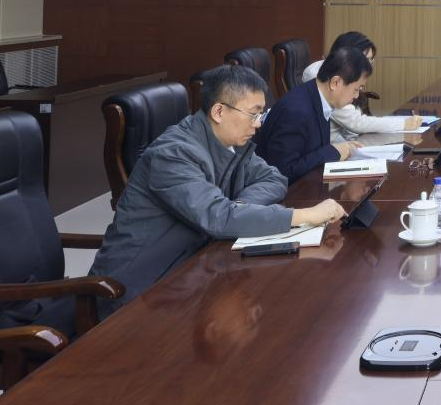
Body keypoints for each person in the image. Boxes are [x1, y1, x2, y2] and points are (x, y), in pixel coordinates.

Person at [89, 66, 345, 317]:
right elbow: (218, 217)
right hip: (135, 294)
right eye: (253, 114)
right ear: (219, 111)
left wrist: (241, 206)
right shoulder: (173, 154)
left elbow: (274, 178)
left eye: (261, 114)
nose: (258, 125)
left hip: (191, 275)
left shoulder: (231, 143)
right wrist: (303, 216)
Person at [255, 47, 371, 183]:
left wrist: (342, 148)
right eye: (356, 89)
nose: (356, 96)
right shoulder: (296, 112)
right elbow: (283, 171)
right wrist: (334, 151)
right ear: (335, 83)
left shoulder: (317, 95)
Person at [303, 31, 424, 139]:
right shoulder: (321, 77)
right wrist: (403, 123)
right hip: (334, 146)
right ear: (346, 55)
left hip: (346, 139)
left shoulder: (340, 72)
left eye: (371, 60)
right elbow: (356, 122)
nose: (368, 66)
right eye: (366, 60)